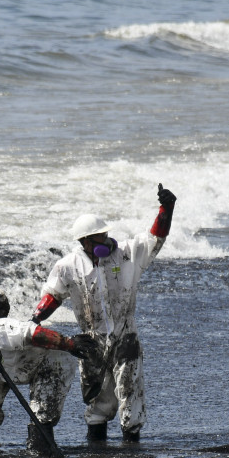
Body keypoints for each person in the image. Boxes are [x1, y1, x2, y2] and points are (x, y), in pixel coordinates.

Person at [30, 183, 177, 443]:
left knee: (130, 394)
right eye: (99, 236)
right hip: (92, 341)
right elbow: (53, 296)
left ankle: (131, 449)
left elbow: (155, 238)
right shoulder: (68, 267)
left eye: (106, 233)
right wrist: (34, 320)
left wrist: (166, 208)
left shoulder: (127, 255)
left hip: (125, 337)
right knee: (98, 400)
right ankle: (96, 450)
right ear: (85, 241)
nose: (106, 240)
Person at [0, 286, 95, 456]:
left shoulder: (2, 328)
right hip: (7, 367)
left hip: (50, 361)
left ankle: (40, 447)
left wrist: (69, 344)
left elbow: (34, 333)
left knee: (42, 411)